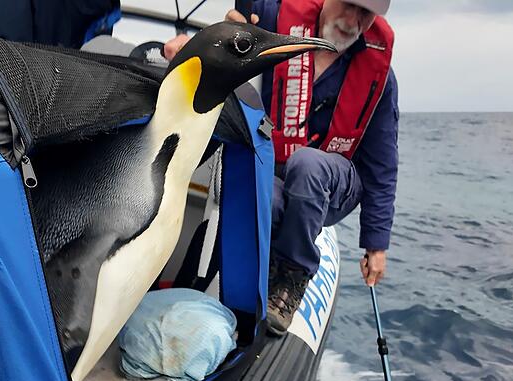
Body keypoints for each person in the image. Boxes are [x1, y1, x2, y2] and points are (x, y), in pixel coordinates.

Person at [165, 0, 399, 337]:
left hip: (335, 182)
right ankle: (248, 279)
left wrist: (376, 245)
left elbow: (382, 163)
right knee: (264, 196)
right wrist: (200, 44)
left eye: (366, 14)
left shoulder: (380, 75)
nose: (353, 21)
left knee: (308, 163)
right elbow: (241, 19)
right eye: (348, 5)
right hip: (276, 169)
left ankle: (293, 275)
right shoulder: (276, 20)